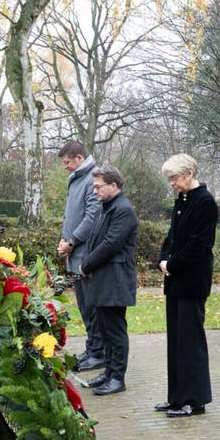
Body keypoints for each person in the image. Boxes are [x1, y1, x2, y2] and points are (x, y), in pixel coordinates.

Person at [155, 154, 219, 416]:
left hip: (192, 281)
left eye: (174, 178)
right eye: (169, 179)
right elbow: (172, 236)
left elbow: (199, 244)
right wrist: (162, 257)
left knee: (190, 342)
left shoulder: (205, 202)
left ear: (189, 173)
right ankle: (177, 397)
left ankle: (195, 400)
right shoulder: (180, 202)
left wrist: (172, 264)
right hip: (176, 281)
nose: (172, 183)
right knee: (176, 341)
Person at [79, 169, 138, 394]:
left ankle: (117, 378)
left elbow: (111, 245)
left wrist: (86, 265)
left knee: (114, 330)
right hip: (103, 281)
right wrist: (86, 262)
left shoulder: (123, 210)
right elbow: (94, 241)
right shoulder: (106, 209)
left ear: (113, 186)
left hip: (115, 281)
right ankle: (108, 372)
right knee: (104, 330)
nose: (95, 191)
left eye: (98, 186)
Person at [57, 141, 104, 372]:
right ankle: (91, 349)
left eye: (67, 162)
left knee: (91, 307)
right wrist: (63, 239)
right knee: (84, 308)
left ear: (78, 158)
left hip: (84, 256)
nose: (65, 167)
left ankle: (98, 353)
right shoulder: (77, 178)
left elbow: (92, 216)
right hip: (73, 255)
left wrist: (72, 241)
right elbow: (72, 215)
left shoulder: (91, 178)